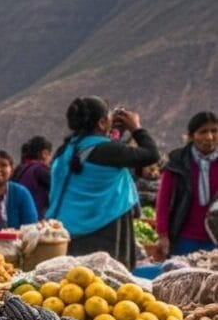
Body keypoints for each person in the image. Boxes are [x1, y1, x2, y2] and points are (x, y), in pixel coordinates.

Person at [48, 98, 159, 270]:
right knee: (106, 286)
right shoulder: (108, 151)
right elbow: (151, 154)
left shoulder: (64, 151)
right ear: (101, 123)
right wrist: (136, 128)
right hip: (103, 231)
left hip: (65, 232)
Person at [154, 111, 218, 259]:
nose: (209, 137)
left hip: (215, 239)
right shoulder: (177, 164)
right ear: (191, 136)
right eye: (203, 132)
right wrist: (163, 235)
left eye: (214, 131)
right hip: (184, 239)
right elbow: (163, 201)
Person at [12, 136, 53, 219]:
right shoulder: (40, 169)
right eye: (50, 155)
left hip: (20, 216)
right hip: (36, 218)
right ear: (44, 153)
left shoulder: (20, 169)